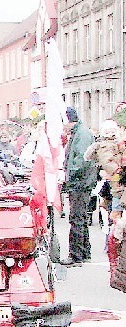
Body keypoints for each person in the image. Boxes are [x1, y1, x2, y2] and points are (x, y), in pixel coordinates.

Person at [60, 107, 97, 267]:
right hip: (81, 182)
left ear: (68, 122)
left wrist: (67, 176)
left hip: (80, 183)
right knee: (80, 218)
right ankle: (84, 252)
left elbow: (80, 161)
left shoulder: (81, 134)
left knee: (76, 218)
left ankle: (76, 255)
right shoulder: (80, 133)